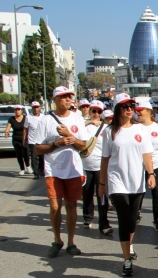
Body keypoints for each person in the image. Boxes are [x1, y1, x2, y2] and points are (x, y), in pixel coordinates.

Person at [98, 93, 157, 276]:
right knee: (123, 218)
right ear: (117, 109)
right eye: (125, 106)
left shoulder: (140, 130)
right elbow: (105, 159)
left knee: (132, 219)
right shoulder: (110, 131)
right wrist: (102, 183)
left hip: (136, 181)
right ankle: (126, 259)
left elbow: (146, 154)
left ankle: (128, 245)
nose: (130, 109)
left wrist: (151, 173)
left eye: (132, 106)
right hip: (117, 180)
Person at [34, 86, 89, 257]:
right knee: (55, 207)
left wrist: (69, 136)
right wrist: (56, 144)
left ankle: (71, 242)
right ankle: (57, 240)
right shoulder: (45, 120)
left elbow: (83, 146)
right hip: (53, 169)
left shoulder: (77, 118)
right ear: (55, 100)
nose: (67, 100)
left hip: (73, 169)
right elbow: (37, 148)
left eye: (69, 97)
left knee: (71, 206)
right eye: (63, 97)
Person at [136, 100, 158, 231]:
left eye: (140, 110)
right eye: (136, 111)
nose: (138, 113)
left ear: (148, 111)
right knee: (138, 191)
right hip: (138, 165)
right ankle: (136, 213)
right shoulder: (135, 128)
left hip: (156, 164)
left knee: (157, 193)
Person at [82, 100, 112, 234]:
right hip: (85, 166)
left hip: (101, 166)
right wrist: (88, 122)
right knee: (87, 194)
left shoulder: (106, 128)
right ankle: (87, 218)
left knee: (102, 195)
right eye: (93, 110)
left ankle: (104, 223)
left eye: (99, 111)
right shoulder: (83, 125)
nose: (96, 114)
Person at [4, 106, 31, 176]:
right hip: (16, 139)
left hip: (25, 138)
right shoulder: (11, 119)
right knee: (19, 154)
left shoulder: (26, 118)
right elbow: (8, 127)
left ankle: (28, 166)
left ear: (21, 111)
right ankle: (22, 169)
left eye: (19, 110)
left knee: (26, 153)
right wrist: (6, 131)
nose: (17, 111)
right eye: (16, 110)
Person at [25, 101, 44, 179]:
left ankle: (41, 170)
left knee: (42, 157)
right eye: (34, 107)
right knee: (34, 158)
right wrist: (24, 139)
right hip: (32, 141)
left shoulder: (43, 117)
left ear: (39, 108)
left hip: (42, 141)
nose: (35, 109)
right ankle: (36, 173)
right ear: (32, 108)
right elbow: (25, 129)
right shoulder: (28, 117)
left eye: (37, 107)